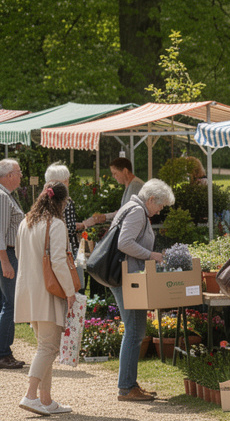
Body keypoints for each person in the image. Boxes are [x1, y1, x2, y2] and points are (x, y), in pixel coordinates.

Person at [14, 182, 78, 416]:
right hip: (48, 292)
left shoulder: (26, 222)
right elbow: (59, 262)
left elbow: (20, 255)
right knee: (49, 347)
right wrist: (70, 292)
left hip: (27, 292)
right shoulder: (56, 224)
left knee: (45, 347)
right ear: (61, 202)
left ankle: (46, 400)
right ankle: (31, 396)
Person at [108, 179, 175, 401]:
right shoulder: (137, 211)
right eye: (161, 205)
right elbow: (124, 243)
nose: (160, 210)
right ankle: (127, 387)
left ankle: (129, 384)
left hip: (125, 278)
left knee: (135, 331)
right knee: (135, 331)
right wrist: (152, 255)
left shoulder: (132, 207)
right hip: (127, 279)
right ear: (151, 199)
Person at [43, 164, 96, 289]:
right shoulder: (66, 201)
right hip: (68, 250)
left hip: (49, 249)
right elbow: (70, 228)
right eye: (66, 180)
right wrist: (84, 224)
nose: (68, 183)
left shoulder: (43, 200)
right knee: (77, 286)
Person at [0, 159, 26, 371]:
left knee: (5, 303)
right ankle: (3, 353)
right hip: (6, 253)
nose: (20, 176)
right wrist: (5, 262)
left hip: (8, 253)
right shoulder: (2, 197)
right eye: (18, 172)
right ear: (8, 175)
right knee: (11, 303)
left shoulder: (6, 196)